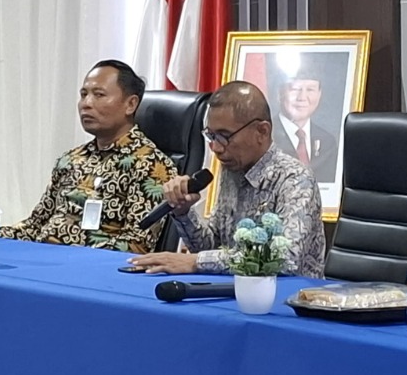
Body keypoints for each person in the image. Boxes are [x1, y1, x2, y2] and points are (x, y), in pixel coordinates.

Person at [128, 80, 325, 277]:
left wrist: (197, 262)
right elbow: (210, 246)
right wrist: (183, 212)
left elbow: (285, 259)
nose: (216, 148)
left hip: (291, 293)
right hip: (236, 288)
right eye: (211, 136)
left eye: (224, 136)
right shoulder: (232, 170)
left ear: (262, 131)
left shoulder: (295, 179)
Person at [0, 59, 178, 255]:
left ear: (130, 104)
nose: (86, 103)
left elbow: (136, 245)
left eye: (99, 95)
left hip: (90, 266)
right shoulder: (71, 159)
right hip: (43, 259)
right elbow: (35, 225)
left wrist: (65, 254)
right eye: (84, 94)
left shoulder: (151, 165)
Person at [272, 67, 338, 185]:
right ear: (280, 93)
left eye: (310, 90)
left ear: (319, 94)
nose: (302, 97)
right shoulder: (264, 138)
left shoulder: (328, 143)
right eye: (295, 89)